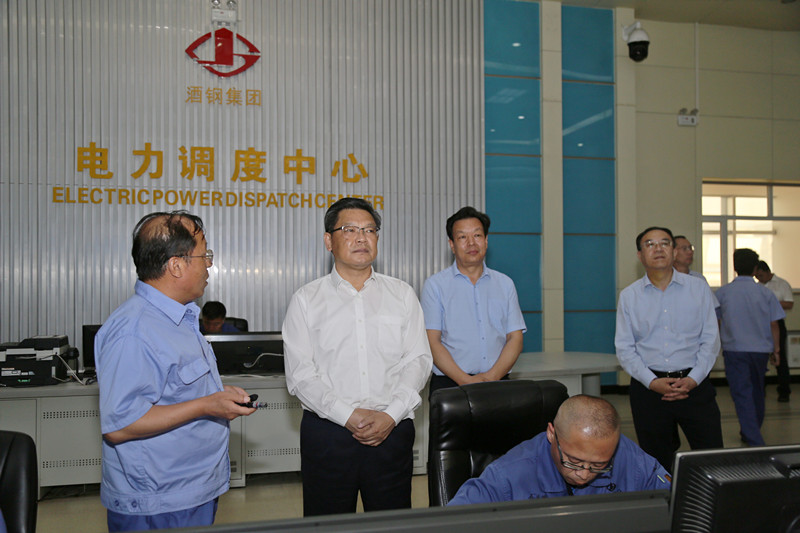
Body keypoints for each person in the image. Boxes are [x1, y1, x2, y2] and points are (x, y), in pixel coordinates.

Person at [95, 211, 256, 532]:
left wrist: (216, 396)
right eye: (204, 255)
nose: (209, 264)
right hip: (158, 503)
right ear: (176, 265)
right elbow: (121, 425)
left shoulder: (179, 319)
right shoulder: (134, 330)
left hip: (188, 491)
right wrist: (207, 405)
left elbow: (175, 390)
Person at [282, 197, 432, 517]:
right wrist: (348, 415)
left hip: (391, 431)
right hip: (329, 434)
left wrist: (391, 414)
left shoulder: (402, 294)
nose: (361, 238)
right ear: (329, 241)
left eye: (369, 230)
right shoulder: (306, 300)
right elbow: (301, 375)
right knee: (328, 524)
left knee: (392, 523)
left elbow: (418, 360)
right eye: (349, 230)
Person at [615, 226, 723, 473]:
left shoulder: (698, 289)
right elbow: (625, 347)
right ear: (640, 255)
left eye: (664, 243)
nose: (658, 249)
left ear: (674, 251)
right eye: (650, 244)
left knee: (711, 457)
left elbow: (710, 339)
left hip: (695, 387)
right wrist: (652, 382)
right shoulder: (630, 296)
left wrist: (693, 379)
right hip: (649, 390)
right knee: (656, 462)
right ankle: (664, 498)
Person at [448, 395, 670, 504]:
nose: (584, 474)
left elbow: (678, 505)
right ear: (551, 434)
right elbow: (454, 523)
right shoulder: (507, 476)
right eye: (573, 461)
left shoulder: (629, 457)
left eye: (599, 465)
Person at [421, 206, 526, 396]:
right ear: (452, 244)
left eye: (477, 235)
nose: (471, 243)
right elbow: (432, 341)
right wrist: (466, 381)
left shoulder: (505, 284)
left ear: (486, 241)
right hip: (450, 385)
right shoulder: (435, 285)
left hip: (498, 382)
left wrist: (491, 378)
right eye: (462, 237)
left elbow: (515, 338)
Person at [715, 249, 785, 445]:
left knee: (742, 393)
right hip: (760, 351)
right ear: (755, 269)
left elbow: (716, 321)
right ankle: (750, 431)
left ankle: (754, 438)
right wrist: (776, 350)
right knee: (757, 392)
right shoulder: (765, 293)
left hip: (735, 349)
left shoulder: (723, 292)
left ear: (735, 267)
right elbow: (774, 324)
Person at [754, 260, 794, 402]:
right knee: (759, 358)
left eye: (761, 275)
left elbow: (789, 303)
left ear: (768, 272)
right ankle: (760, 390)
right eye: (756, 276)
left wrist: (771, 302)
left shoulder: (782, 284)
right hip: (760, 324)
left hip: (777, 323)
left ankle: (784, 391)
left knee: (780, 357)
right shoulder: (756, 286)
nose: (759, 279)